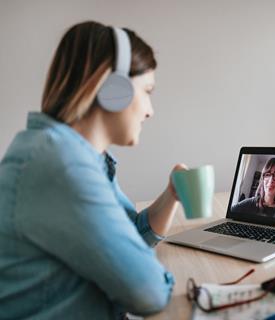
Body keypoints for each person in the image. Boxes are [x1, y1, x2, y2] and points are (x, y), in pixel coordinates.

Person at [0, 21, 183, 319]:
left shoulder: (75, 155)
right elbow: (148, 293)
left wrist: (171, 195)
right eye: (147, 91)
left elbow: (129, 237)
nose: (150, 110)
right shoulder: (61, 165)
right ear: (114, 89)